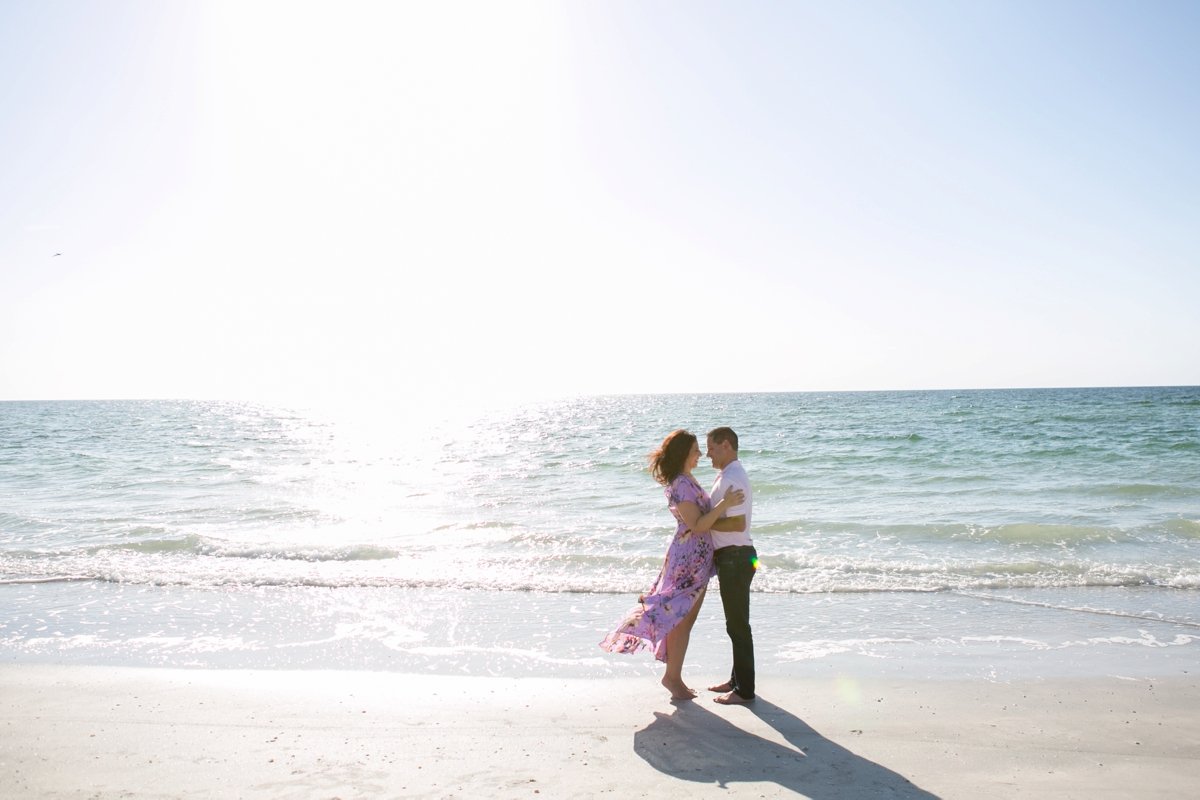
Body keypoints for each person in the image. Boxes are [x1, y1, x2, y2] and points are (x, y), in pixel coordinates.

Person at [600, 429, 744, 701]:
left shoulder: (687, 479)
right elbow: (697, 524)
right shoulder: (680, 483)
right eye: (695, 451)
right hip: (687, 561)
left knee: (684, 621)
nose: (700, 454)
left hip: (697, 560)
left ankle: (673, 676)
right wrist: (725, 503)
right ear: (683, 454)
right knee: (680, 620)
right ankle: (672, 678)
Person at [705, 426, 758, 705]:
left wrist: (705, 523)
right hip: (736, 557)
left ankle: (744, 691)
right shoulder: (727, 475)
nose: (707, 454)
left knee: (738, 626)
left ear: (726, 445)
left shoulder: (734, 476)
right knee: (734, 624)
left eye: (711, 447)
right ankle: (736, 679)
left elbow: (738, 523)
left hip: (737, 557)